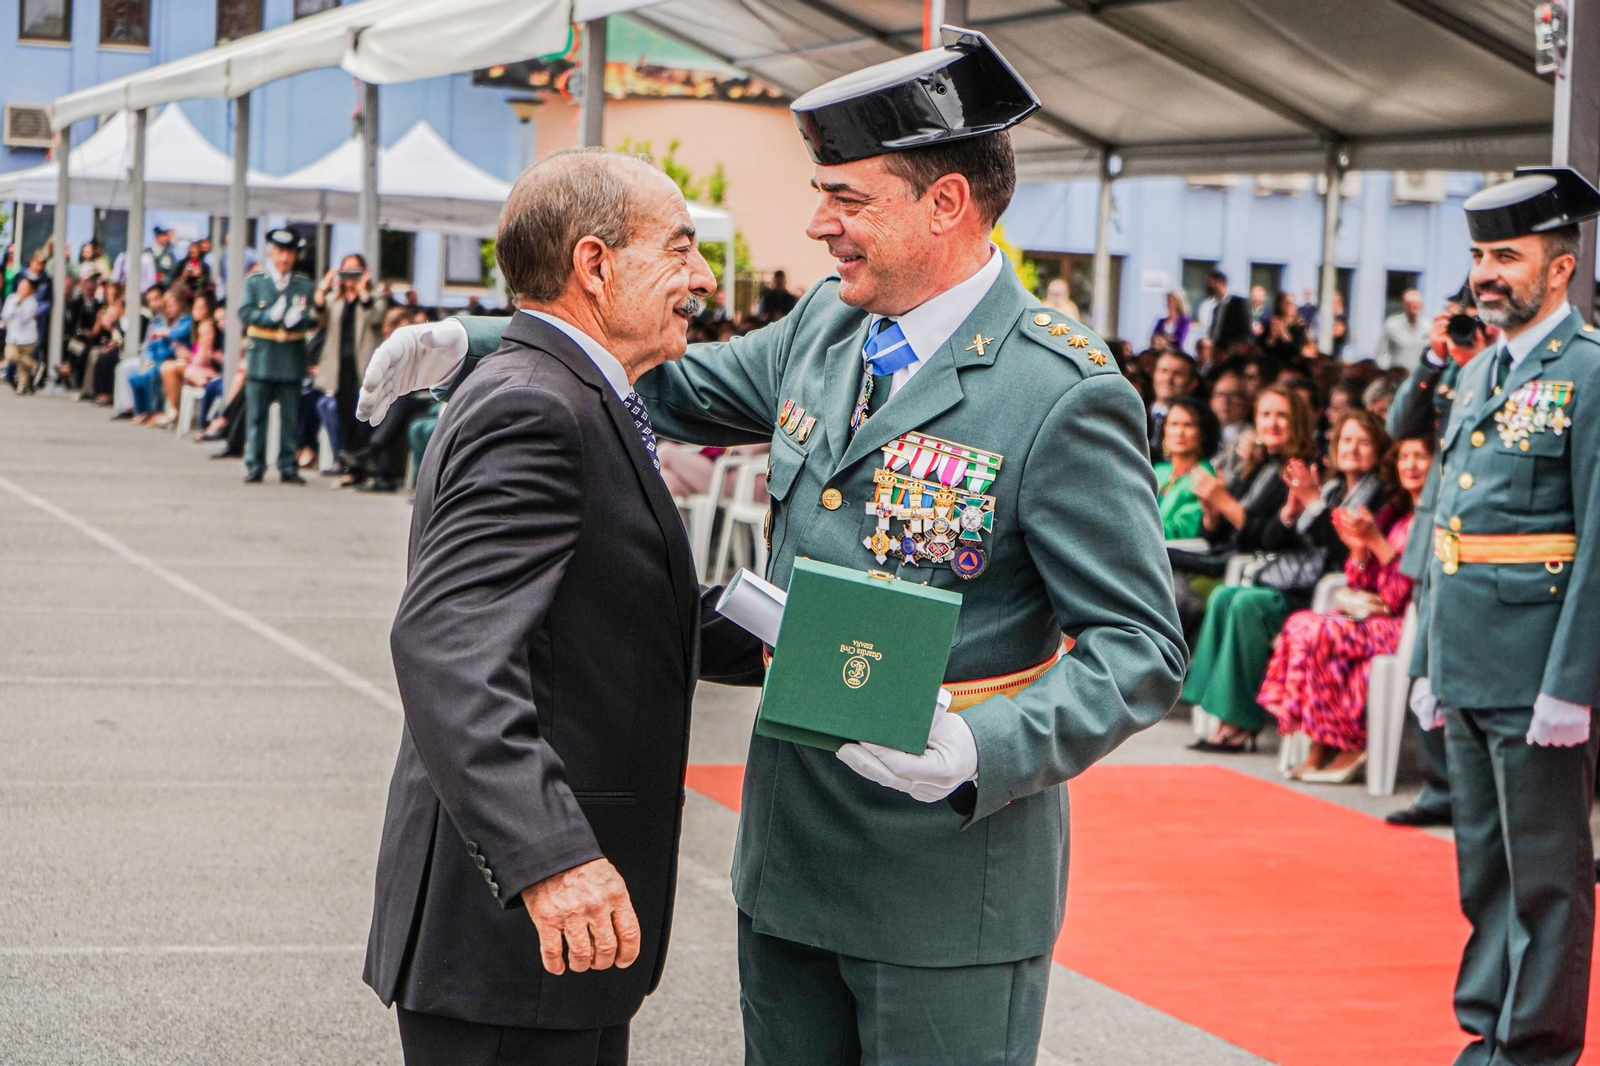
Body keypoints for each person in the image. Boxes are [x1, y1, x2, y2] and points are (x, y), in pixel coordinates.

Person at [358, 27, 1185, 1066]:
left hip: (942, 873)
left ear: (944, 203)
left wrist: (983, 749)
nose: (818, 224)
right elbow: (646, 364)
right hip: (792, 857)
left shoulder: (1059, 390)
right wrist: (482, 335)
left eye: (846, 198)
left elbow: (1141, 646)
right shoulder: (826, 332)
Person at [366, 147, 765, 1066]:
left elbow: (618, 604)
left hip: (551, 933)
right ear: (594, 264)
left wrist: (821, 647)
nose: (702, 279)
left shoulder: (568, 389)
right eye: (679, 249)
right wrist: (548, 858)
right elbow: (449, 649)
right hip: (521, 922)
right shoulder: (538, 407)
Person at [1408, 167, 1600, 1066]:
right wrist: (1424, 662)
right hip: (1469, 658)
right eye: (1480, 254)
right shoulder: (1481, 368)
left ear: (1559, 270)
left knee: (1549, 877)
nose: (1486, 273)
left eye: (1507, 256)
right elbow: (1443, 521)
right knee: (1483, 868)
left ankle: (1536, 1048)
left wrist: (1574, 684)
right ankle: (1488, 1026)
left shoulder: (1590, 373)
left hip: (1537, 671)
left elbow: (1599, 542)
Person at [1382, 290, 1493, 829]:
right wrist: (1433, 356)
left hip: (1490, 533)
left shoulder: (1503, 360)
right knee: (1426, 659)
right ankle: (1440, 785)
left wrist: (1480, 360)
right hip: (1437, 526)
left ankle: (1479, 790)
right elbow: (1402, 425)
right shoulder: (1444, 362)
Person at [1261, 434, 1432, 782]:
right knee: (1300, 624)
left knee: (1319, 632)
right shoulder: (1396, 516)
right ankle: (1322, 739)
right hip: (1376, 622)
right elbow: (1360, 583)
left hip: (1409, 625)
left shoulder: (1435, 521)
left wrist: (1376, 543)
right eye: (1404, 457)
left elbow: (1408, 594)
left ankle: (1341, 741)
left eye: (1420, 457)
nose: (1410, 465)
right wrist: (1358, 550)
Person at [1181, 385, 1319, 749]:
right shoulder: (1259, 466)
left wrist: (1224, 501)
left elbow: (1272, 537)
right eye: (1265, 415)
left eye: (1282, 415)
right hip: (1257, 572)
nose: (1272, 423)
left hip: (1297, 584)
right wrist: (1213, 510)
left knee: (1242, 602)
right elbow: (1233, 536)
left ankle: (1239, 722)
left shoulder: (1297, 469)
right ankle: (1213, 706)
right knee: (1226, 597)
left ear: (1298, 422)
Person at [239, 229, 318, 485]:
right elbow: (245, 312)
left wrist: (300, 320)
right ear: (271, 253)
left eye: (289, 253)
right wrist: (269, 317)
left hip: (290, 357)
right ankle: (255, 463)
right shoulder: (256, 282)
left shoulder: (303, 284)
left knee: (290, 417)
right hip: (262, 355)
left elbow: (313, 317)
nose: (284, 258)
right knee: (257, 416)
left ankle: (287, 464)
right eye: (280, 252)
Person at [311, 254, 385, 472]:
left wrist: (363, 291)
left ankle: (359, 465)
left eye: (355, 271)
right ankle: (346, 462)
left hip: (363, 364)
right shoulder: (335, 299)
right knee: (343, 414)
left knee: (361, 413)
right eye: (347, 271)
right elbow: (319, 319)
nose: (351, 276)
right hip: (339, 364)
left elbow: (376, 318)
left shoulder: (374, 296)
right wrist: (322, 290)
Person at [1154, 396, 1219, 540]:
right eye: (1174, 424)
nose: (1179, 432)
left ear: (1202, 432)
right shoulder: (1159, 471)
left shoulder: (1204, 477)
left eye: (1188, 425)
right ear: (1165, 429)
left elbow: (1183, 529)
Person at [1147, 350, 1198, 455]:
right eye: (1163, 371)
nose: (1168, 378)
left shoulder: (1198, 420)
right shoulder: (1134, 412)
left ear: (1192, 383)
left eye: (1177, 374)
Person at [2, 275, 40, 395]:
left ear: (31, 290)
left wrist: (21, 303)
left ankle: (22, 387)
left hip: (28, 337)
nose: (22, 288)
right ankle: (35, 366)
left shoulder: (32, 302)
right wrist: (17, 304)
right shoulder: (11, 298)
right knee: (11, 356)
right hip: (13, 336)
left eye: (25, 287)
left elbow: (25, 318)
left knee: (23, 367)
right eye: (21, 285)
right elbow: (5, 315)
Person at [1375, 287, 1428, 372]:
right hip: (1397, 376)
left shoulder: (1428, 328)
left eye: (1416, 306)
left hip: (1419, 377)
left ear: (1421, 306)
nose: (1413, 311)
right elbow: (1381, 352)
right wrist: (1385, 371)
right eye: (1410, 306)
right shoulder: (1391, 325)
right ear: (1404, 306)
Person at [1205, 270, 1252, 353]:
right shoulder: (1216, 307)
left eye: (1211, 283)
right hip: (1217, 350)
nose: (1209, 286)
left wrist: (1235, 347)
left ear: (1221, 283)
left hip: (1231, 351)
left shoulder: (1239, 303)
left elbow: (1245, 328)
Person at [1261, 290, 1309, 364]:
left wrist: (1283, 334)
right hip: (1272, 363)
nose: (1290, 306)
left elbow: (1298, 349)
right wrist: (1272, 338)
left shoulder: (1300, 326)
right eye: (1287, 303)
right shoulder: (1271, 323)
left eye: (1293, 304)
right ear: (1280, 305)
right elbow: (1263, 348)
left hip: (1291, 364)